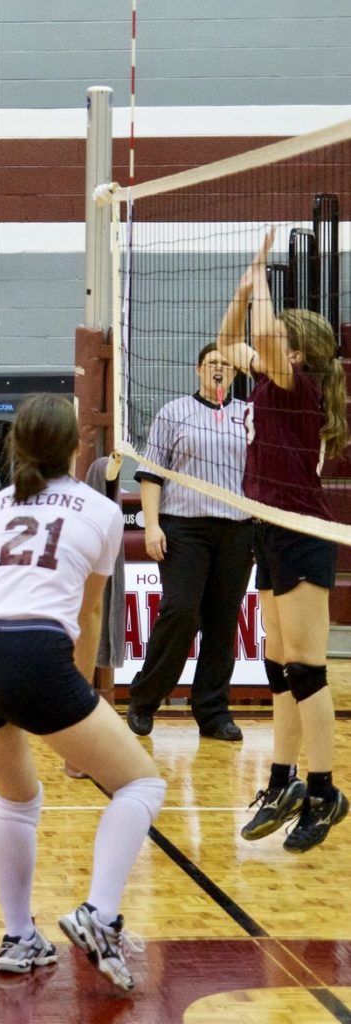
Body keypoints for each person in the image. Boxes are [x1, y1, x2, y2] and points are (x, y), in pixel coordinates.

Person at [0, 392, 166, 991]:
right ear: (78, 446)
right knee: (142, 783)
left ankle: (19, 935)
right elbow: (88, 619)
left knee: (16, 798)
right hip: (35, 656)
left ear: (16, 445)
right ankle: (99, 915)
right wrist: (81, 702)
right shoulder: (100, 511)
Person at [217, 228, 348, 853]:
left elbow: (263, 339)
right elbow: (226, 345)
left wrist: (263, 275)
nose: (268, 352)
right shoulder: (274, 382)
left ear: (298, 355)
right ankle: (282, 780)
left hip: (300, 534)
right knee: (278, 666)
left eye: (280, 346)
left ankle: (325, 790)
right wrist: (242, 294)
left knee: (308, 668)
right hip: (267, 529)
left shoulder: (301, 390)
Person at [126, 342, 252, 741]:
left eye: (227, 365)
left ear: (235, 374)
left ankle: (213, 713)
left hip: (237, 529)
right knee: (181, 612)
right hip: (183, 528)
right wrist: (151, 526)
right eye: (212, 363)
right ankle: (144, 699)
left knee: (222, 622)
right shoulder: (173, 412)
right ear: (198, 370)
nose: (220, 369)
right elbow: (150, 475)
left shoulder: (249, 416)